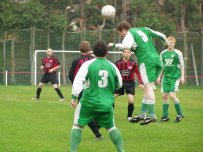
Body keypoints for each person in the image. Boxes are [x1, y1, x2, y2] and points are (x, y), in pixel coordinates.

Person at [108, 21, 168, 125]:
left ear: (123, 29)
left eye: (120, 33)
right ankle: (143, 113)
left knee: (148, 87)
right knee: (147, 87)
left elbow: (126, 45)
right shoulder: (144, 29)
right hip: (157, 59)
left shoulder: (130, 33)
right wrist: (166, 43)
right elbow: (161, 35)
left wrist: (114, 45)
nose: (121, 35)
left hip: (146, 61)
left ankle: (152, 115)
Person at [70, 41, 124, 152]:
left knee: (77, 126)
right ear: (107, 52)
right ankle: (121, 150)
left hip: (88, 103)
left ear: (93, 52)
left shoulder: (88, 64)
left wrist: (73, 98)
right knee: (111, 127)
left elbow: (78, 82)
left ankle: (73, 150)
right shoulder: (112, 66)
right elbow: (119, 84)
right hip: (106, 104)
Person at [68, 41, 102, 140]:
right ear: (90, 49)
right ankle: (98, 130)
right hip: (97, 89)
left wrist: (77, 85)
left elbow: (70, 75)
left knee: (85, 112)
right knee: (95, 110)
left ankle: (98, 134)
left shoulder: (77, 61)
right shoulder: (96, 59)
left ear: (80, 50)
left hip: (83, 90)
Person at [157, 36, 184, 122]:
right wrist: (159, 77)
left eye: (171, 42)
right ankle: (165, 116)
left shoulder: (178, 53)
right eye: (168, 42)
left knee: (172, 95)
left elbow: (182, 66)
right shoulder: (163, 53)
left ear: (174, 43)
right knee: (164, 96)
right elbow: (162, 67)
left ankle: (180, 114)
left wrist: (182, 76)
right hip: (166, 78)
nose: (169, 44)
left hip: (175, 77)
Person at [114, 49, 143, 123]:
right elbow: (113, 74)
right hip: (120, 83)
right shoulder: (117, 63)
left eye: (128, 52)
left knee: (131, 100)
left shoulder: (133, 63)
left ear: (130, 54)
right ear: (122, 53)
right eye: (125, 52)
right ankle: (110, 115)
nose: (126, 54)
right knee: (111, 99)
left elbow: (138, 73)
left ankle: (129, 116)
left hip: (130, 83)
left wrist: (141, 83)